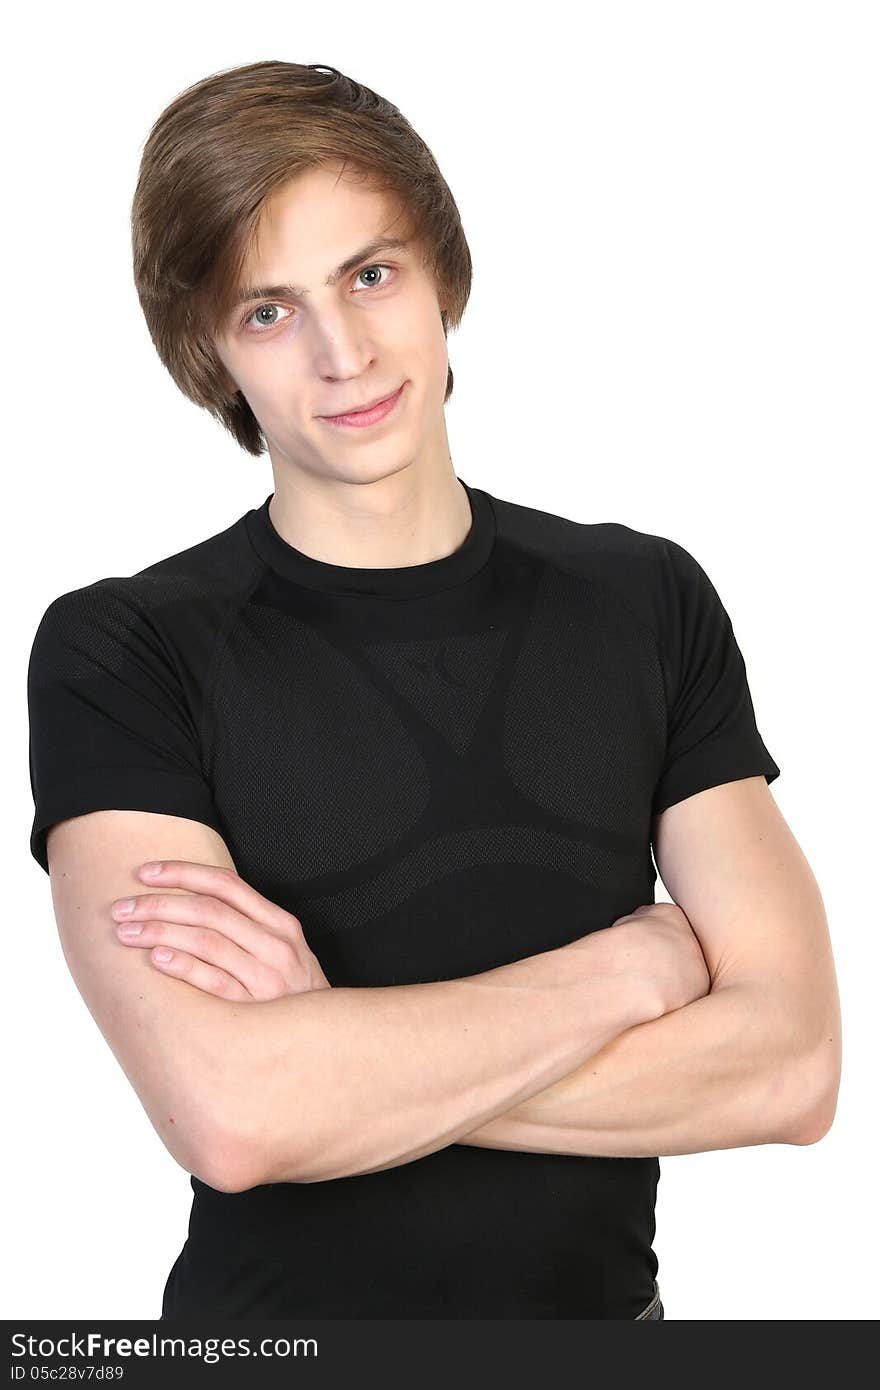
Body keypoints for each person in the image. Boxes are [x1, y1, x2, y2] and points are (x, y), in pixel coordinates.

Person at [27, 60, 838, 1321]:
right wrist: (624, 976)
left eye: (369, 274)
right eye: (267, 311)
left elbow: (792, 1069)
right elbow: (233, 1115)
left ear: (442, 273)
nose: (343, 353)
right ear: (208, 353)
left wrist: (337, 1054)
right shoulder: (124, 649)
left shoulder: (644, 598)